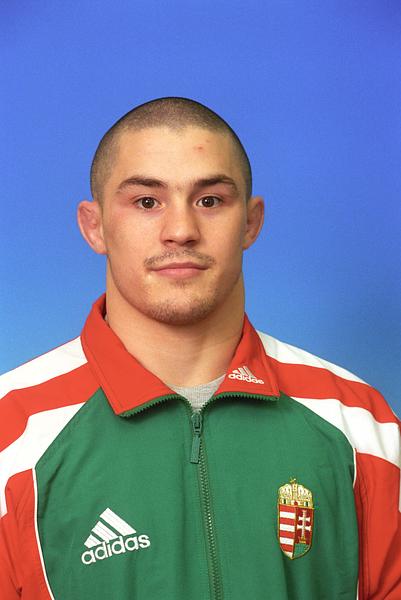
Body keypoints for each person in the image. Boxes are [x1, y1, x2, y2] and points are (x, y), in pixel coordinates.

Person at [0, 97, 399, 600]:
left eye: (209, 200)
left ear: (251, 222)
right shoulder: (11, 434)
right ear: (94, 226)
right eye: (147, 202)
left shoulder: (361, 424)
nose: (181, 231)